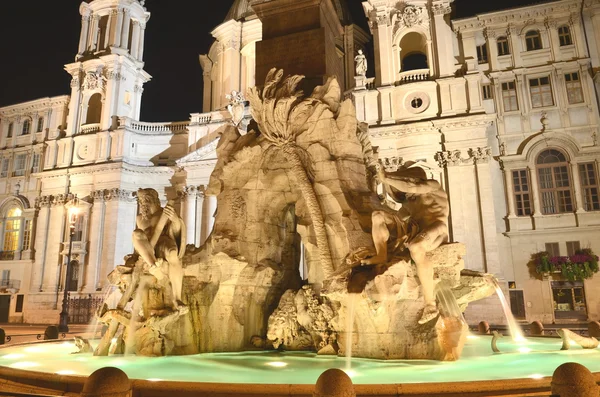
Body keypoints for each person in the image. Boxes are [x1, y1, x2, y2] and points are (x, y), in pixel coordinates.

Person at [362, 163, 449, 324]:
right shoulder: (409, 203)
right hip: (417, 231)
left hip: (437, 229)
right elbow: (399, 217)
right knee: (378, 216)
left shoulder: (432, 185)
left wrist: (387, 178)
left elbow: (414, 187)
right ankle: (381, 255)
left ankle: (430, 303)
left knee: (416, 247)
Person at [132, 188, 186, 310]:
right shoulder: (140, 218)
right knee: (136, 233)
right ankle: (153, 266)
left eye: (146, 200)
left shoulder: (164, 213)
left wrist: (175, 219)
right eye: (141, 201)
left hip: (163, 242)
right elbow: (141, 239)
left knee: (173, 253)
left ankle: (177, 297)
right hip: (147, 247)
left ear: (155, 200)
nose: (143, 203)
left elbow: (176, 229)